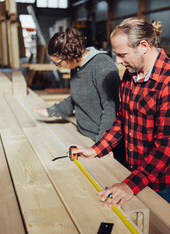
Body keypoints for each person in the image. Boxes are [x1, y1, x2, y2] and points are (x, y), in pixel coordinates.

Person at [74, 18, 170, 208]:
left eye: (122, 54)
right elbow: (122, 120)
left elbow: (167, 144)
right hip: (134, 170)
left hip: (162, 181)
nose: (118, 61)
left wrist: (130, 185)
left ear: (143, 46)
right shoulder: (131, 74)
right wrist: (96, 149)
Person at [32, 27, 125, 162]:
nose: (58, 66)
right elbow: (77, 97)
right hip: (84, 136)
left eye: (58, 63)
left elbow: (111, 109)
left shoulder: (102, 65)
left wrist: (101, 146)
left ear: (69, 57)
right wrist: (51, 111)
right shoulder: (76, 66)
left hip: (101, 140)